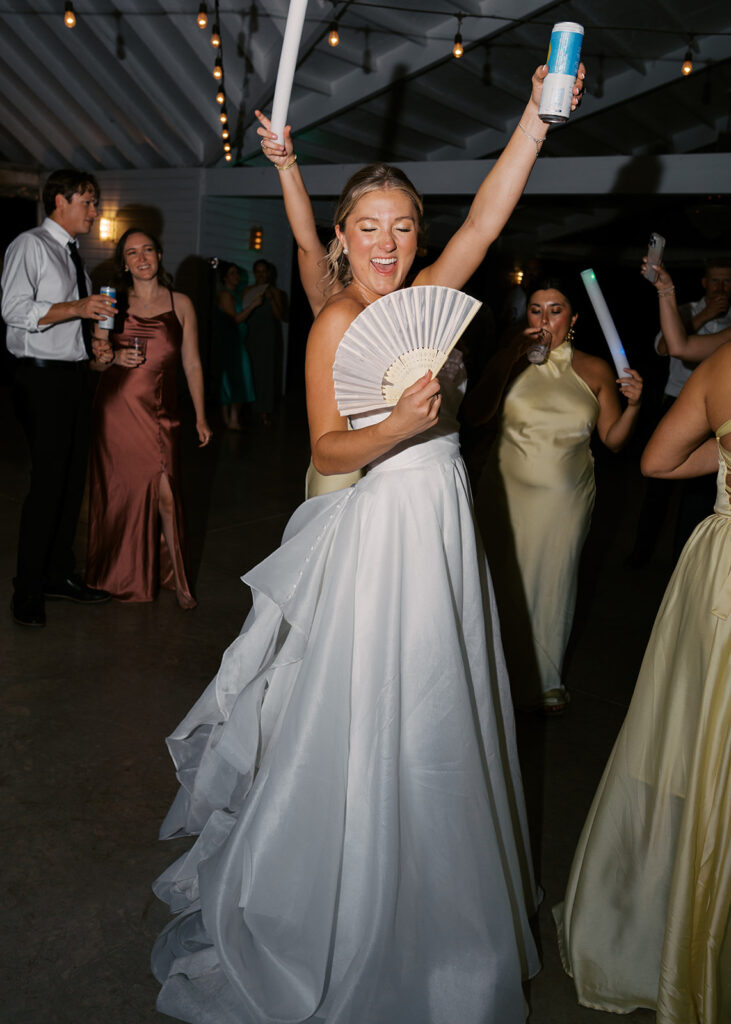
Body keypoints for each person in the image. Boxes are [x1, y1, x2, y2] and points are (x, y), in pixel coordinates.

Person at [151, 63, 585, 1024]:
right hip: (382, 521)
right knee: (380, 709)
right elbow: (326, 446)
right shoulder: (338, 318)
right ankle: (349, 899)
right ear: (342, 241)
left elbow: (483, 220)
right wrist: (396, 427)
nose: (388, 244)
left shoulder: (423, 293)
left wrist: (533, 120)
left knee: (447, 701)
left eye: (401, 227)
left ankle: (443, 899)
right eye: (369, 228)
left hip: (442, 523)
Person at [553, 330, 731, 1024]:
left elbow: (657, 462)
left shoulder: (719, 364)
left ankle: (672, 915)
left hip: (718, 579)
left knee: (694, 742)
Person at [463, 279, 643, 714]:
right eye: (536, 310)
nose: (545, 320)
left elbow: (614, 441)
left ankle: (544, 681)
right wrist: (508, 358)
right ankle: (491, 673)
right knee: (500, 580)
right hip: (504, 492)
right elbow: (473, 416)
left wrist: (635, 405)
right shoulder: (510, 361)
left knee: (553, 582)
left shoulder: (597, 369)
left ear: (574, 318)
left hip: (566, 499)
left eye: (555, 310)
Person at [2, 168, 114, 627]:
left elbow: (71, 323)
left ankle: (57, 576)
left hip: (71, 377)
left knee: (71, 484)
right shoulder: (30, 245)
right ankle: (26, 590)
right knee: (48, 483)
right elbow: (13, 310)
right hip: (39, 379)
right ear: (60, 201)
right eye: (88, 201)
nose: (95, 211)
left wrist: (95, 351)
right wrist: (78, 308)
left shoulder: (74, 257)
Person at [85, 228, 212, 608]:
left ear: (159, 255)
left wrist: (201, 416)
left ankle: (179, 581)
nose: (142, 259)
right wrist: (110, 361)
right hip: (117, 413)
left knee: (167, 495)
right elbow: (95, 361)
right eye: (132, 253)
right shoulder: (111, 304)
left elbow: (192, 363)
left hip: (163, 414)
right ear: (123, 262)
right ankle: (118, 574)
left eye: (148, 251)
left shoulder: (181, 303)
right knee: (120, 495)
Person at [626, 258, 731, 566]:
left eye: (727, 281)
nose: (721, 287)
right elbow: (668, 346)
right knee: (657, 492)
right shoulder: (687, 311)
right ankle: (641, 553)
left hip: (721, 420)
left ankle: (685, 558)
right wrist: (705, 314)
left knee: (698, 497)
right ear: (705, 282)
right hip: (679, 405)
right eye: (715, 281)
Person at [241, 259, 288, 426]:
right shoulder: (248, 290)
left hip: (268, 337)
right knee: (250, 371)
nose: (261, 275)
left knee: (267, 374)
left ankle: (264, 411)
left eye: (264, 271)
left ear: (268, 273)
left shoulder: (275, 292)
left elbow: (281, 316)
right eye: (258, 272)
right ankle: (248, 409)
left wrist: (271, 299)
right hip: (251, 335)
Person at [215, 261, 259, 431]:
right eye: (232, 273)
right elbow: (235, 320)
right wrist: (253, 306)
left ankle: (230, 419)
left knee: (236, 378)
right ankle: (230, 420)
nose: (236, 276)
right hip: (231, 342)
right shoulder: (225, 295)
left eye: (237, 273)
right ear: (225, 277)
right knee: (236, 378)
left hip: (237, 341)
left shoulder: (235, 294)